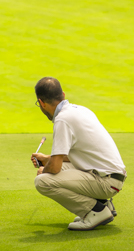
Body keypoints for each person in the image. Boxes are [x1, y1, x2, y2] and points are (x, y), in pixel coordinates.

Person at [31, 77, 126, 231]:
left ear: (41, 103)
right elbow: (79, 154)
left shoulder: (62, 119)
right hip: (112, 177)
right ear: (62, 94)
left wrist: (45, 169)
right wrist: (47, 158)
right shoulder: (80, 109)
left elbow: (54, 168)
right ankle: (102, 203)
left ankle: (95, 211)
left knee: (43, 181)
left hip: (106, 182)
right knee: (57, 168)